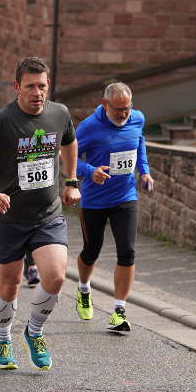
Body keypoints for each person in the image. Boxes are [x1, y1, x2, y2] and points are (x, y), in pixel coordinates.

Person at [0, 56, 80, 371]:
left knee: (55, 277)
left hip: (48, 214)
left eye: (42, 86)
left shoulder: (59, 113)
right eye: (30, 86)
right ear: (17, 87)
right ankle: (2, 338)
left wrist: (71, 181)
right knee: (10, 283)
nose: (37, 93)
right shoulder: (1, 120)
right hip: (8, 217)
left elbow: (70, 141)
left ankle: (35, 331)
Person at [74, 82, 154, 331]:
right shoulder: (89, 126)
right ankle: (84, 289)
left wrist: (145, 172)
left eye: (127, 108)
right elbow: (67, 157)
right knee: (91, 250)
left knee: (127, 251)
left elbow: (139, 143)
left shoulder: (137, 118)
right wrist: (89, 171)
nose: (123, 114)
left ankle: (119, 310)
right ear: (104, 104)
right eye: (118, 109)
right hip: (95, 200)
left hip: (125, 196)